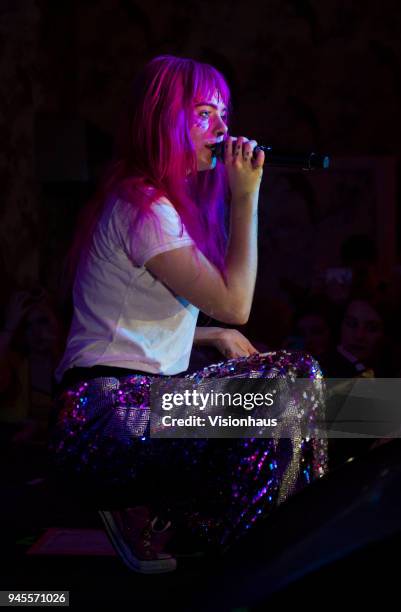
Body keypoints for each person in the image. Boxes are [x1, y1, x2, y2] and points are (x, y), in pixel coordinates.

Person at [48, 55, 327, 574]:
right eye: (203, 113)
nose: (223, 129)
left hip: (121, 409)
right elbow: (237, 303)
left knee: (316, 405)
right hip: (106, 416)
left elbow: (128, 313)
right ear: (162, 119)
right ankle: (266, 566)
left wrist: (210, 334)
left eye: (223, 113)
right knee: (294, 380)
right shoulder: (143, 205)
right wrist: (247, 199)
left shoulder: (149, 202)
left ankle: (187, 527)